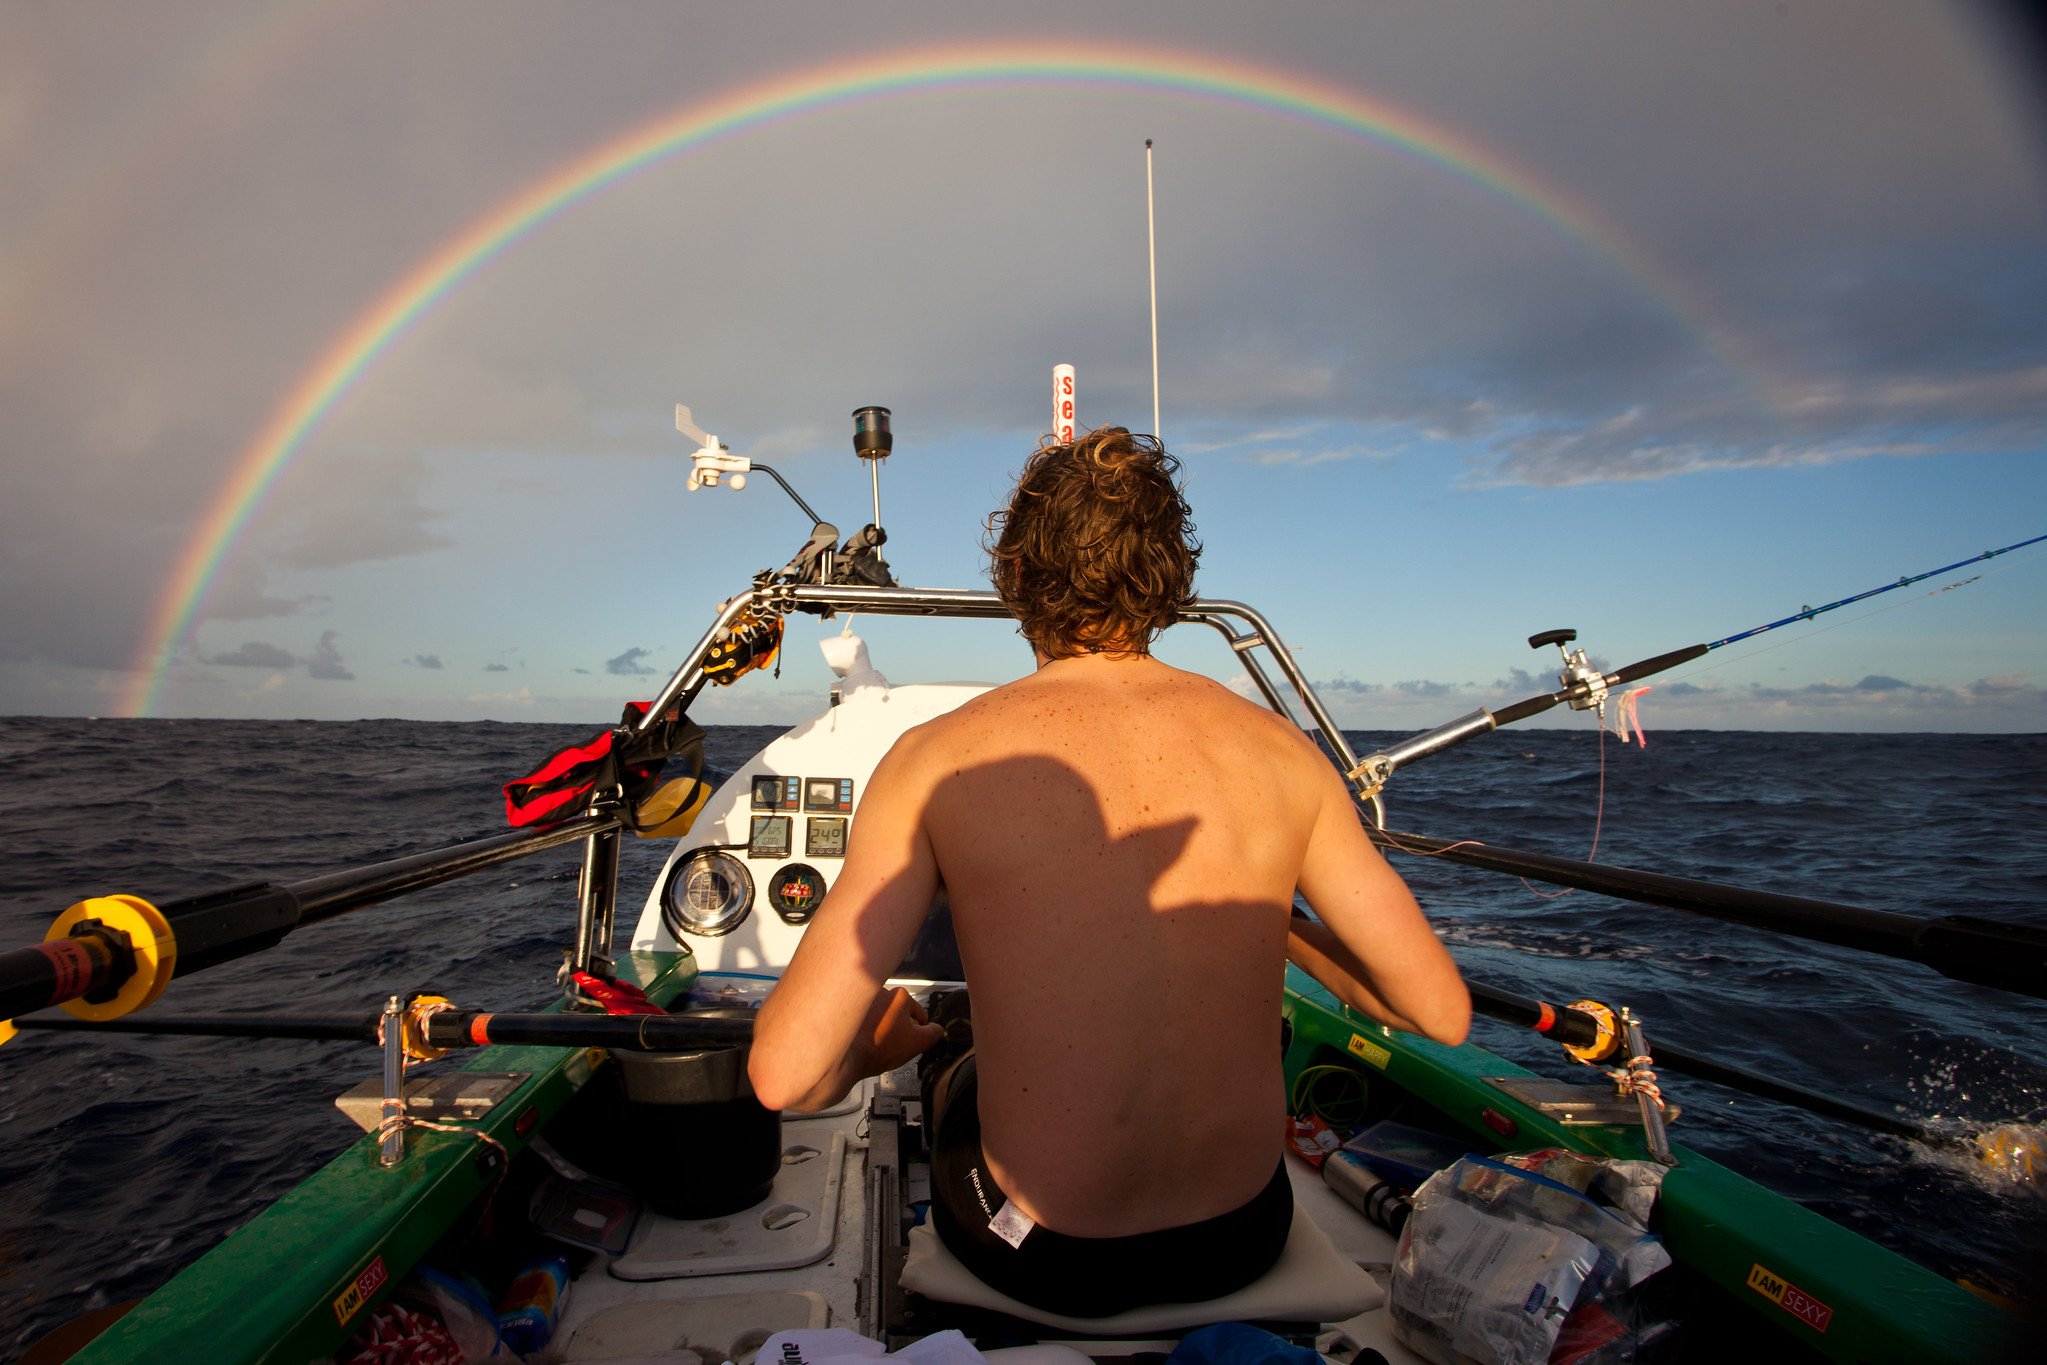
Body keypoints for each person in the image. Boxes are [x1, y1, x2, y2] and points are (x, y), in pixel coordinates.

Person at [749, 427, 1468, 1317]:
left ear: (1015, 572)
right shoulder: (1284, 754)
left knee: (957, 1063)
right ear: (1170, 571)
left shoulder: (934, 761)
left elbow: (785, 1078)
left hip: (1047, 1255)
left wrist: (871, 1055)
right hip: (1242, 1237)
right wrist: (1266, 917)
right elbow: (1435, 1009)